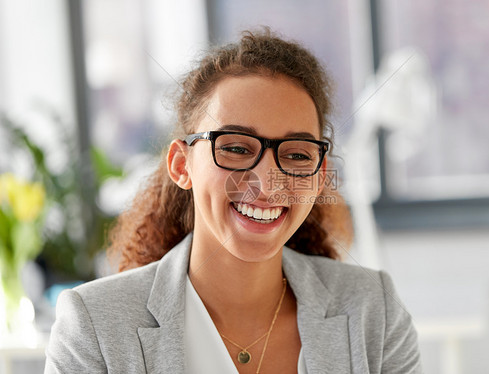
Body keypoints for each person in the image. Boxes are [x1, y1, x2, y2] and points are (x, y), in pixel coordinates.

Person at [45, 30, 422, 373]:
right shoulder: (93, 326)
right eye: (237, 148)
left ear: (319, 176)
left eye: (296, 155)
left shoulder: (375, 312)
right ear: (181, 165)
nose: (266, 183)